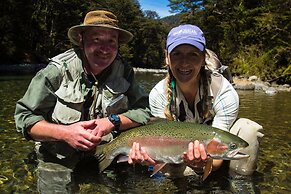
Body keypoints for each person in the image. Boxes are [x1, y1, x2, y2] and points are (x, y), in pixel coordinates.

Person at [14, 10, 151, 193]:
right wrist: (65, 133)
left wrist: (112, 122)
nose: (105, 49)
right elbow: (24, 118)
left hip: (108, 151)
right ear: (81, 39)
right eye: (96, 39)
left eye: (111, 41)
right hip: (58, 155)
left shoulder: (124, 71)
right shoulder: (56, 71)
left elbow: (143, 111)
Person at [128, 24, 263, 179]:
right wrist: (150, 156)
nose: (184, 62)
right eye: (177, 54)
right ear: (167, 57)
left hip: (215, 154)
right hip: (176, 156)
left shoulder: (224, 92)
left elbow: (217, 159)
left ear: (203, 58)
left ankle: (240, 182)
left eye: (193, 54)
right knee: (171, 171)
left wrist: (202, 165)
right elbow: (159, 136)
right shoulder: (158, 94)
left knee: (249, 129)